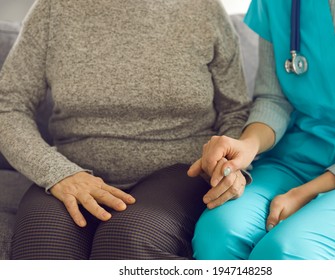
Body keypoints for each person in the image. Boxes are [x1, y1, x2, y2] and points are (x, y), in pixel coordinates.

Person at [0, 0, 250, 259]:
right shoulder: (52, 9)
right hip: (72, 171)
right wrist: (58, 174)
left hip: (181, 172)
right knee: (42, 246)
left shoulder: (204, 9)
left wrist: (230, 166)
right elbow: (9, 106)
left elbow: (235, 111)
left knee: (125, 242)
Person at [188, 0, 335, 259]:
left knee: (283, 253)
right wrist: (247, 145)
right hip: (292, 158)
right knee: (217, 235)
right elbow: (274, 99)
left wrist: (307, 193)